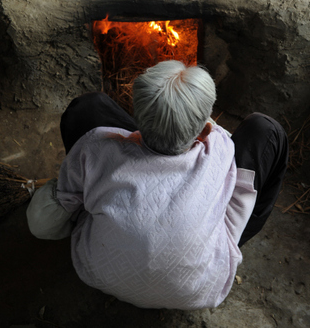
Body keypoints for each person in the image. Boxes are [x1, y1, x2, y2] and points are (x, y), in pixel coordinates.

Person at [27, 60, 288, 310]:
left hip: (101, 273)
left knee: (87, 108)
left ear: (136, 112)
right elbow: (226, 137)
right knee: (267, 129)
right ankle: (209, 248)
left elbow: (41, 224)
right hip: (197, 289)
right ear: (203, 133)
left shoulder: (95, 147)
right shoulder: (218, 149)